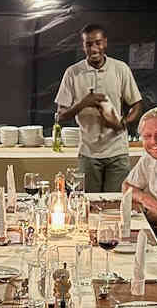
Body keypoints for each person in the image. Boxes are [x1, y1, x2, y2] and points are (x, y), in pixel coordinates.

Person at [56, 25, 143, 193]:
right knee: (88, 205)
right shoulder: (73, 73)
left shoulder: (120, 69)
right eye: (89, 44)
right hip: (88, 153)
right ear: (83, 46)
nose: (94, 48)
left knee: (115, 205)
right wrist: (84, 103)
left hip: (117, 151)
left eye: (98, 43)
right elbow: (60, 116)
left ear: (105, 43)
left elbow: (137, 104)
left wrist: (124, 122)